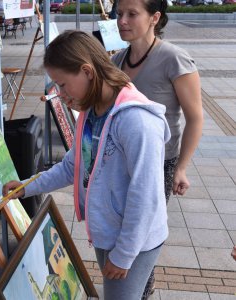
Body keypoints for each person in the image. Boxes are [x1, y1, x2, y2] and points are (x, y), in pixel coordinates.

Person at [3, 30, 170, 300]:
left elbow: (146, 195)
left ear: (87, 71)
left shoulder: (136, 122)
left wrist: (125, 254)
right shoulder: (91, 111)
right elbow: (73, 166)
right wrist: (26, 187)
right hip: (109, 231)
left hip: (134, 241)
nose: (60, 94)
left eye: (63, 84)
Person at [112, 0, 203, 297]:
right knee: (124, 232)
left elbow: (195, 118)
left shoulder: (174, 59)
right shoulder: (116, 61)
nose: (122, 20)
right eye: (119, 13)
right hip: (121, 164)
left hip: (159, 164)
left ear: (155, 17)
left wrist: (182, 167)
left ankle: (140, 292)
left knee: (143, 236)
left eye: (131, 14)